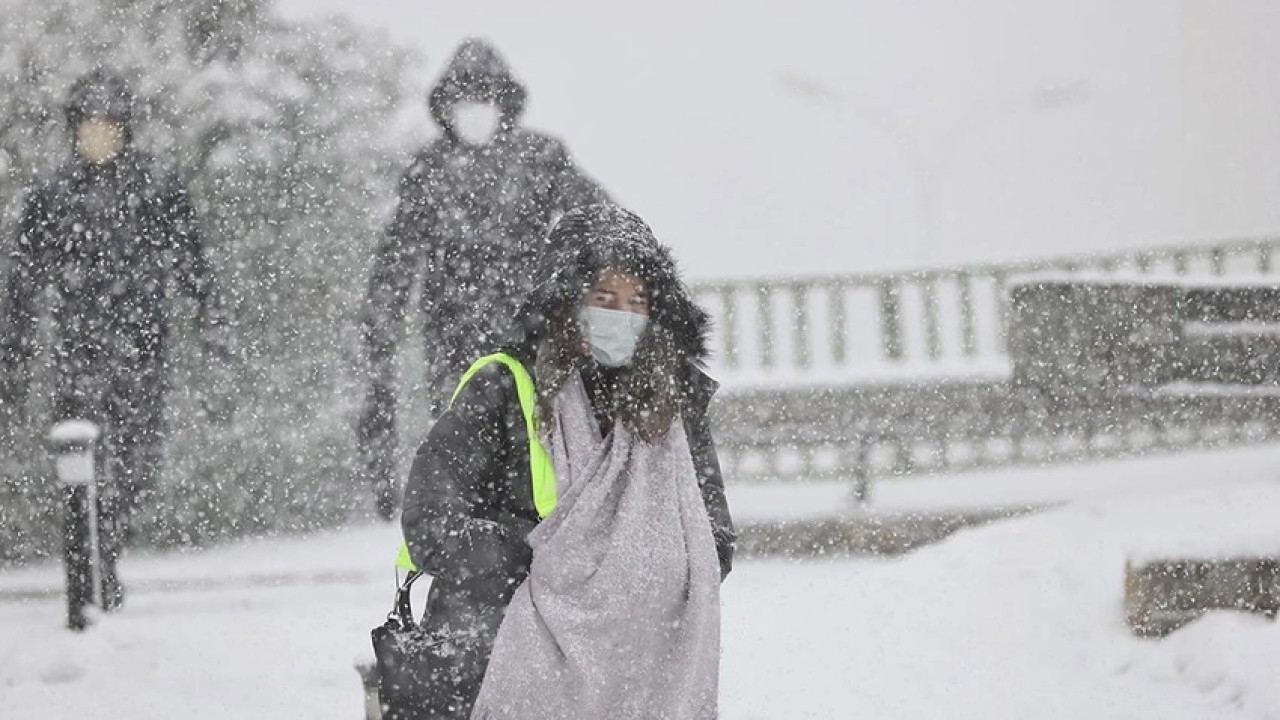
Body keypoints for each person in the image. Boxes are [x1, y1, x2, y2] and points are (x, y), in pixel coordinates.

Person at [399, 203, 735, 719]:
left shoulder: (672, 403)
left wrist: (628, 574)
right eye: (604, 297)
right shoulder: (504, 387)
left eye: (636, 300)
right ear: (565, 303)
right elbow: (430, 516)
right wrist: (537, 566)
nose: (620, 315)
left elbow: (712, 537)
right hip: (505, 629)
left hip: (633, 649)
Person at [0, 69, 226, 629]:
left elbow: (193, 264)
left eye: (107, 126)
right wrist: (15, 355)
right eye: (88, 127)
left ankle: (111, 550)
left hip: (143, 351)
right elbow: (23, 283)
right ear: (74, 132)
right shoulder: (52, 196)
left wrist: (211, 327)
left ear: (124, 129)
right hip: (79, 354)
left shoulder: (157, 186)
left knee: (133, 468)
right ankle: (86, 585)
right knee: (78, 470)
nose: (98, 136)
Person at [360, 37, 608, 519]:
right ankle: (479, 553)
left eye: (484, 99)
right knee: (468, 458)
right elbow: (395, 262)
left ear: (503, 104)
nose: (475, 111)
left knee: (536, 452)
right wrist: (382, 326)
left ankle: (540, 547)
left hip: (532, 336)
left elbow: (597, 216)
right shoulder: (429, 171)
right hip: (454, 344)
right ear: (447, 109)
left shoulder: (539, 158)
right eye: (464, 101)